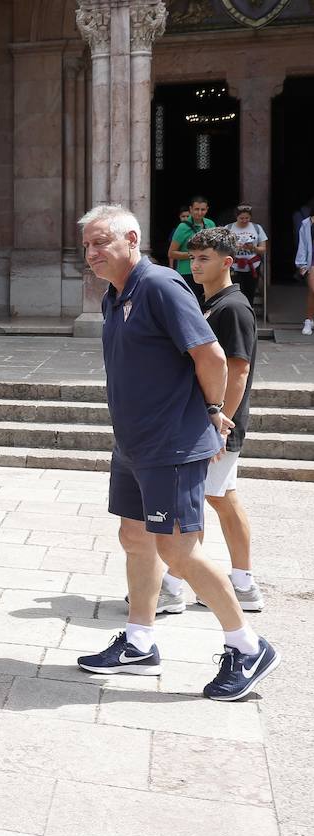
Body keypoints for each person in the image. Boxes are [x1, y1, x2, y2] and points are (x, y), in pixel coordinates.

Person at [75, 204, 279, 700]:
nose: (92, 253)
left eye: (101, 242)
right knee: (135, 536)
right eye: (87, 246)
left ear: (131, 238)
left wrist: (213, 409)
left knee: (177, 547)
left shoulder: (161, 286)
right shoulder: (114, 294)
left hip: (170, 441)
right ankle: (141, 642)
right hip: (134, 441)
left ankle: (248, 646)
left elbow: (210, 354)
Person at [167, 227, 263, 611]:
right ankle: (241, 584)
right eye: (193, 258)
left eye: (204, 258)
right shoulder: (210, 303)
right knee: (220, 498)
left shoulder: (233, 308)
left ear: (227, 262)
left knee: (195, 502)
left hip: (217, 425)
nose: (196, 265)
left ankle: (174, 587)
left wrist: (220, 421)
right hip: (210, 422)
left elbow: (238, 370)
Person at [167, 195, 216, 304]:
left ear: (207, 209)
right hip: (187, 272)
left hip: (207, 271)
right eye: (196, 209)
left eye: (202, 209)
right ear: (190, 209)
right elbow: (171, 253)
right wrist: (193, 255)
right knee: (190, 304)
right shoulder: (182, 227)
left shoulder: (210, 224)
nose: (199, 213)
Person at [224, 205, 267, 306]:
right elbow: (222, 248)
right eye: (241, 218)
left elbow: (263, 249)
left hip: (252, 266)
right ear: (236, 217)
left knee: (250, 293)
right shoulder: (229, 228)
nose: (244, 220)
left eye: (247, 218)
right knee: (235, 293)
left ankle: (248, 314)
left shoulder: (257, 228)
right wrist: (234, 247)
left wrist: (253, 248)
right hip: (234, 266)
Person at [297, 211, 313, 335]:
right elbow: (302, 244)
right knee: (313, 290)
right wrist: (301, 263)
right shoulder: (307, 223)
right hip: (312, 261)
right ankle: (308, 320)